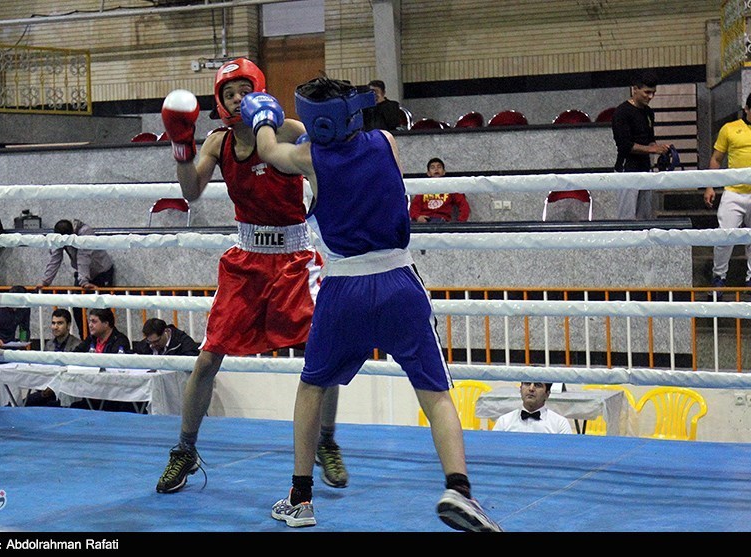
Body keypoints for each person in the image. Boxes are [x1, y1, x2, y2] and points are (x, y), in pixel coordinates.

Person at [244, 75, 502, 531]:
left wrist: (262, 116)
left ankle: (300, 499)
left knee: (312, 387)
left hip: (344, 289)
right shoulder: (385, 141)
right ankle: (459, 489)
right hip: (400, 282)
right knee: (436, 394)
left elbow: (268, 149)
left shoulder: (310, 158)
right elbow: (324, 134)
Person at [155, 58, 347, 495]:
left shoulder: (289, 131)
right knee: (207, 359)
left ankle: (327, 440)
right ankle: (184, 450)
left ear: (259, 88)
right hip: (247, 261)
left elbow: (326, 168)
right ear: (219, 102)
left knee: (325, 352)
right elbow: (190, 191)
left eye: (245, 89)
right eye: (229, 93)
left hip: (296, 258)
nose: (238, 98)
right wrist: (181, 148)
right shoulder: (218, 142)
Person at [703, 92, 751, 299]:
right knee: (724, 237)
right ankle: (719, 278)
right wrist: (710, 186)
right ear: (746, 109)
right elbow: (716, 158)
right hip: (733, 192)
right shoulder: (730, 129)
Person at [36, 219, 115, 337]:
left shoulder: (85, 232)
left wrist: (83, 281)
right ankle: (87, 340)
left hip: (102, 271)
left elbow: (84, 256)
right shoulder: (59, 236)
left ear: (72, 234)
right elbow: (55, 257)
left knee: (103, 311)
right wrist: (45, 281)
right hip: (82, 273)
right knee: (77, 307)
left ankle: (108, 341)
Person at [611, 69, 671, 220]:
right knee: (627, 218)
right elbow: (625, 146)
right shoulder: (621, 112)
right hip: (627, 169)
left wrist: (661, 150)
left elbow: (650, 139)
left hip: (645, 168)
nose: (650, 97)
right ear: (635, 89)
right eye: (647, 92)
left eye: (653, 93)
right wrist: (652, 149)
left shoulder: (649, 112)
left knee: (645, 217)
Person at [24, 308, 81, 407]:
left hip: (67, 391)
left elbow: (73, 375)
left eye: (60, 323)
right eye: (53, 323)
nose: (55, 327)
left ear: (68, 325)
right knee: (24, 402)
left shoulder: (77, 345)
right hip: (46, 390)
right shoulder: (49, 344)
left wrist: (53, 388)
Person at [491, 382, 573, 434]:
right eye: (527, 383)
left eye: (537, 385)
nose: (531, 389)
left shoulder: (560, 424)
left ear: (547, 394)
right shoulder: (504, 422)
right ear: (520, 389)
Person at [409, 158, 470, 223]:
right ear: (428, 173)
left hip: (441, 220)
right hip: (424, 220)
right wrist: (417, 217)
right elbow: (414, 206)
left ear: (444, 172)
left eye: (439, 167)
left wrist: (460, 222)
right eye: (432, 167)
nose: (436, 169)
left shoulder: (450, 188)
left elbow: (464, 205)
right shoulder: (423, 188)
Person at [133, 318, 199, 356]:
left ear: (166, 331)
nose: (152, 345)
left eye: (157, 341)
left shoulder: (184, 343)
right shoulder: (144, 345)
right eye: (149, 342)